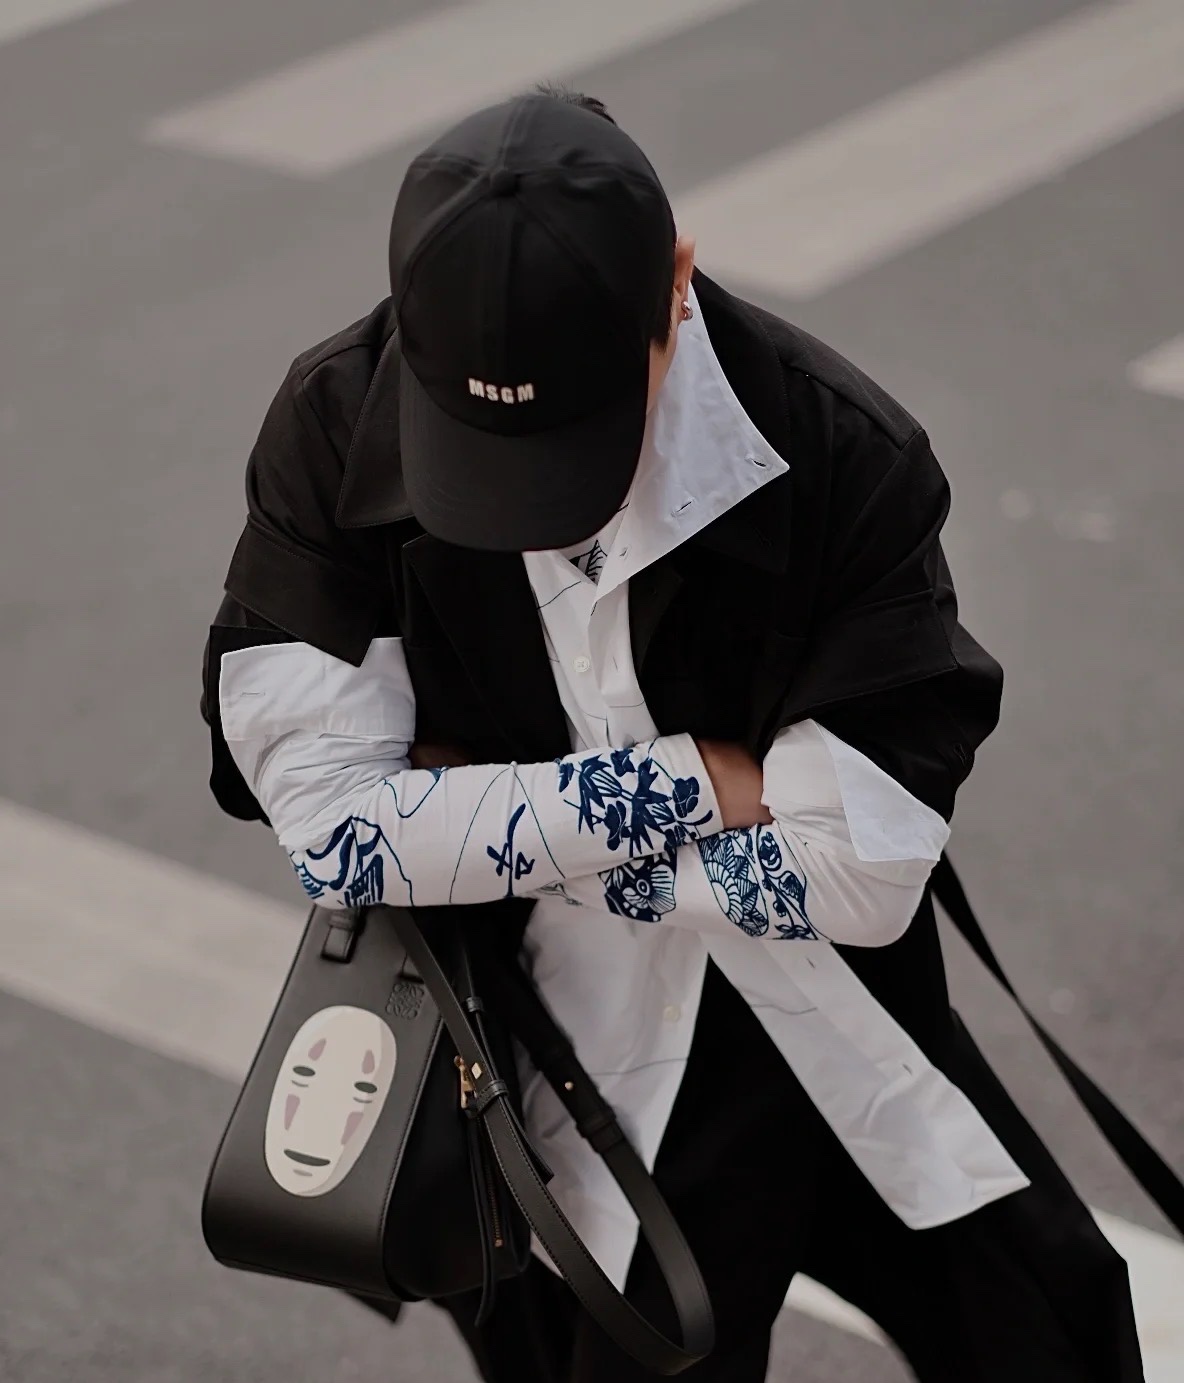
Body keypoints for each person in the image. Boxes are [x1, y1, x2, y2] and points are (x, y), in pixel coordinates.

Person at [201, 87, 1144, 1382]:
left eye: (578, 434)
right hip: (545, 1046)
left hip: (831, 1012)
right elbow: (333, 830)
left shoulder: (835, 453)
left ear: (680, 288)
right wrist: (701, 778)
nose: (531, 507)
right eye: (480, 445)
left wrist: (476, 820)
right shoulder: (336, 424)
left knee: (1056, 1323)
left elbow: (864, 872)